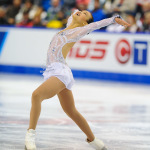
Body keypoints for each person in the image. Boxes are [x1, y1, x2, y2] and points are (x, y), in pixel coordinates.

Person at [25, 9, 130, 150]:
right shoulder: (70, 24)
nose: (81, 12)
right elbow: (74, 13)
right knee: (71, 111)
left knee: (36, 95)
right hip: (56, 71)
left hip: (60, 73)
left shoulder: (80, 30)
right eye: (81, 11)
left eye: (85, 14)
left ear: (85, 22)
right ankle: (95, 142)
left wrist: (113, 19)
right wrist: (78, 12)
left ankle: (30, 136)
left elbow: (96, 24)